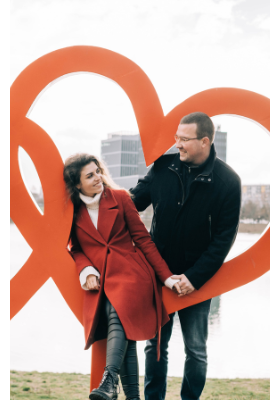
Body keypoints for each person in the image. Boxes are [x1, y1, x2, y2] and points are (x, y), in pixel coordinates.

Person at [131, 112, 241, 400]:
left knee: (196, 350)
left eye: (183, 139)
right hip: (158, 277)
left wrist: (193, 278)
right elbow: (130, 207)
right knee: (154, 347)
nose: (176, 144)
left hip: (197, 282)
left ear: (204, 141)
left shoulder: (228, 182)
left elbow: (222, 241)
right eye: (175, 137)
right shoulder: (162, 168)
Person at [64, 154, 180, 400]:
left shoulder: (120, 198)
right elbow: (75, 248)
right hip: (102, 279)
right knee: (125, 334)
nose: (98, 178)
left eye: (98, 171)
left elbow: (144, 240)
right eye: (90, 176)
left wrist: (167, 277)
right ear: (77, 184)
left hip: (132, 273)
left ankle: (108, 380)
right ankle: (133, 398)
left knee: (117, 309)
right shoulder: (72, 211)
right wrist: (86, 269)